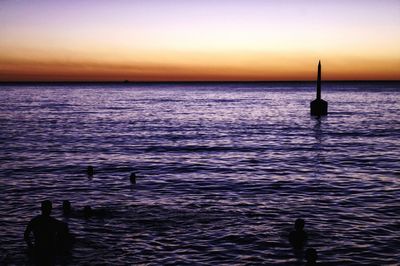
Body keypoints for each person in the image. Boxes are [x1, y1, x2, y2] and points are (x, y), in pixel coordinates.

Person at [24, 200, 62, 265]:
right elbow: (60, 236)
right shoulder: (54, 222)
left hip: (38, 248)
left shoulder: (35, 221)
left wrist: (31, 246)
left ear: (41, 209)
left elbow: (26, 235)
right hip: (50, 250)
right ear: (51, 209)